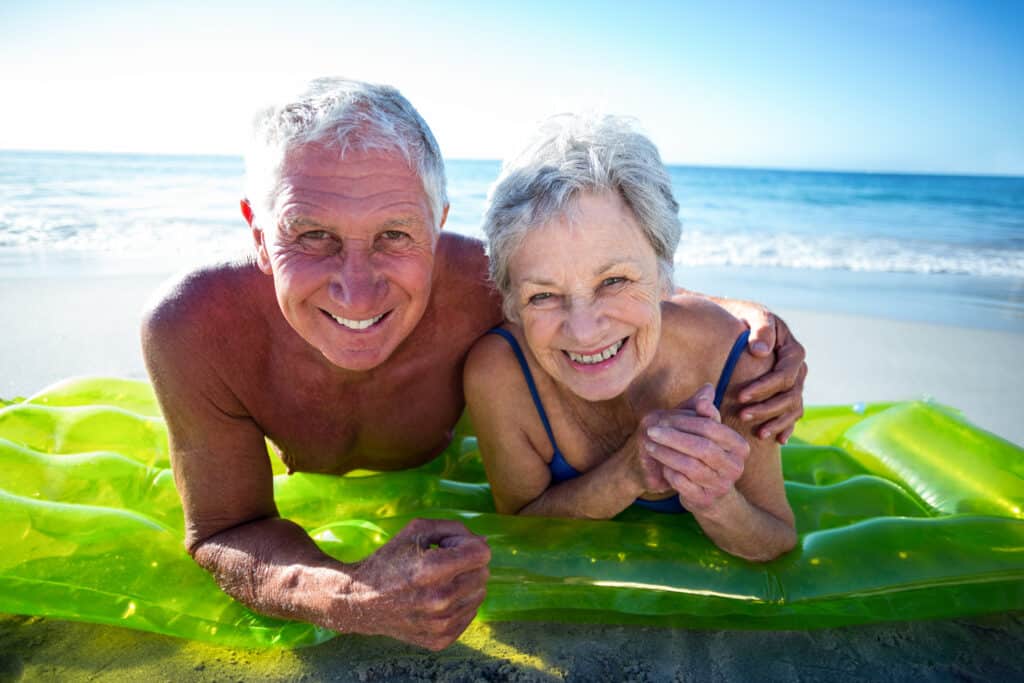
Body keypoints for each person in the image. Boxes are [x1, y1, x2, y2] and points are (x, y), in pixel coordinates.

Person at [141, 78, 806, 650]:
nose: (356, 287)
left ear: (439, 227)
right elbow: (225, 529)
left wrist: (754, 325)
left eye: (396, 234)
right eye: (310, 234)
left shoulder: (481, 291)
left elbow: (598, 278)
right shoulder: (196, 330)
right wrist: (350, 592)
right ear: (258, 231)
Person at [465, 114, 797, 561]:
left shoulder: (729, 354)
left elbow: (776, 537)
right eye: (543, 295)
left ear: (664, 273)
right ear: (510, 301)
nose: (583, 331)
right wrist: (627, 474)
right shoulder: (500, 373)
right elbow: (522, 532)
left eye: (614, 281)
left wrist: (716, 500)